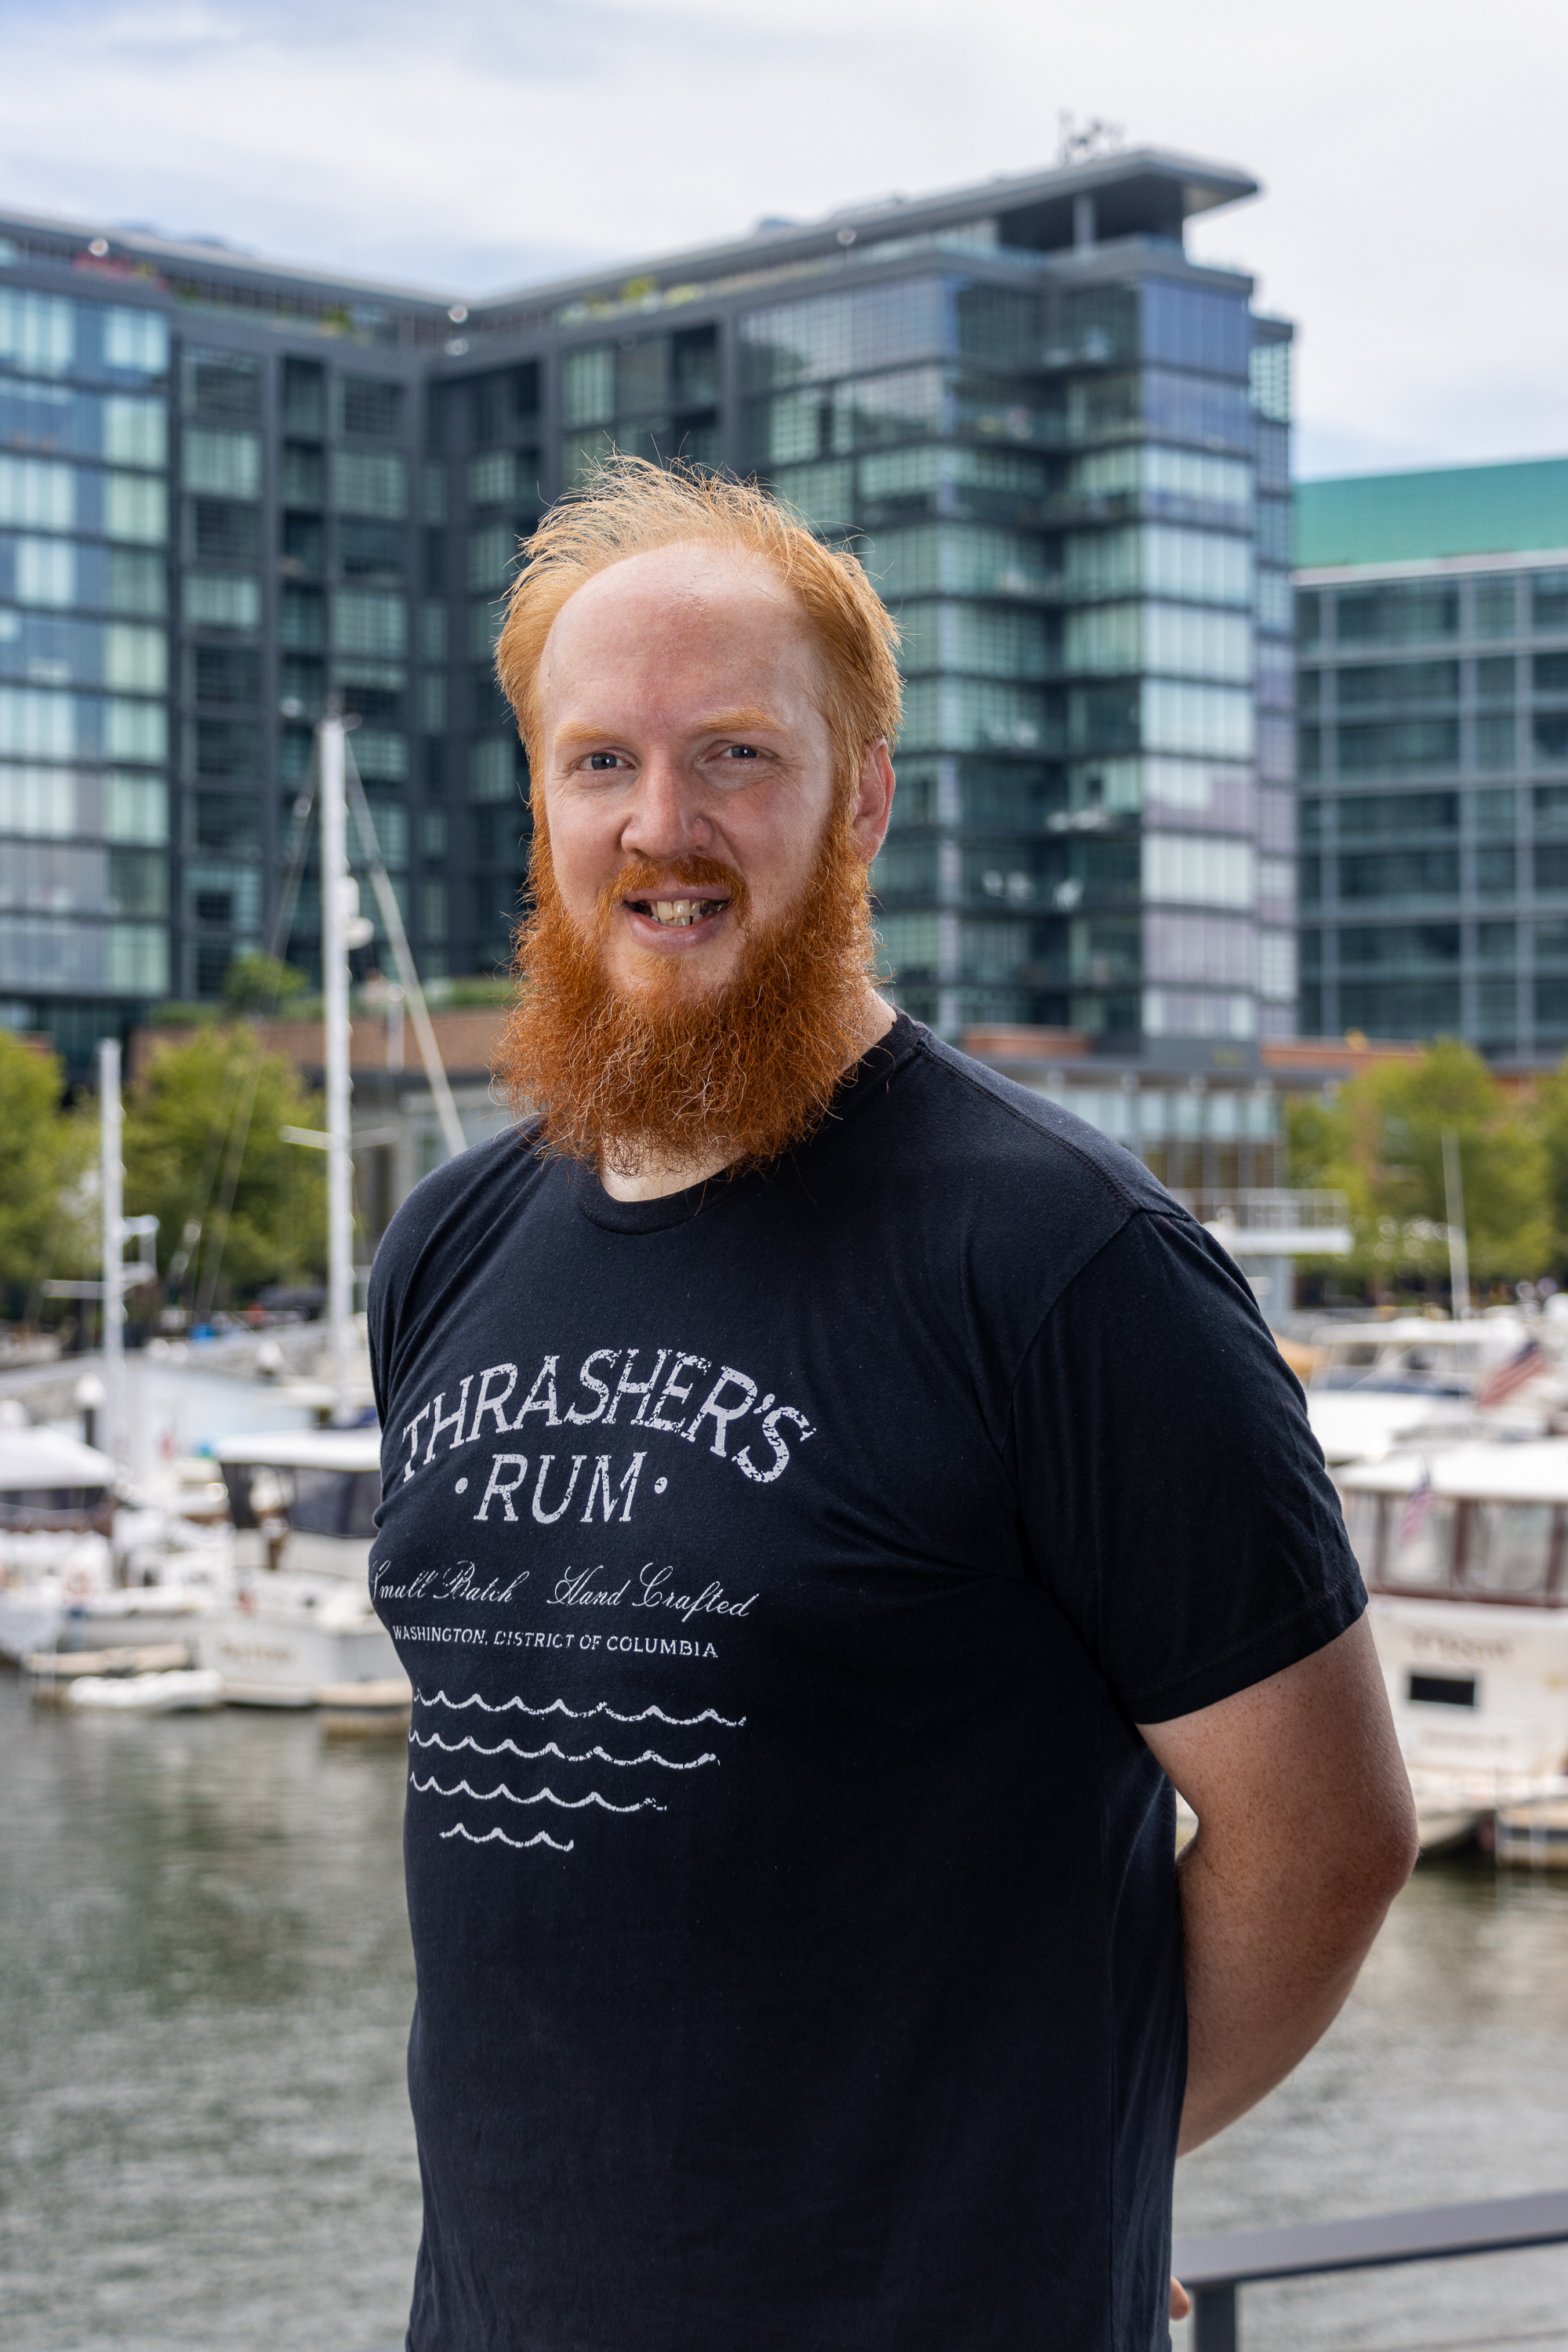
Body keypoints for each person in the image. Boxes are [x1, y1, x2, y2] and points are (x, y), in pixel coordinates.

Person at [368, 458, 1417, 2352]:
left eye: (738, 758)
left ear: (864, 801)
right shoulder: (449, 1244)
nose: (659, 825)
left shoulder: (1064, 1260)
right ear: (539, 804)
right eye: (599, 761)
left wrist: (1079, 2165)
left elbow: (1323, 1836)